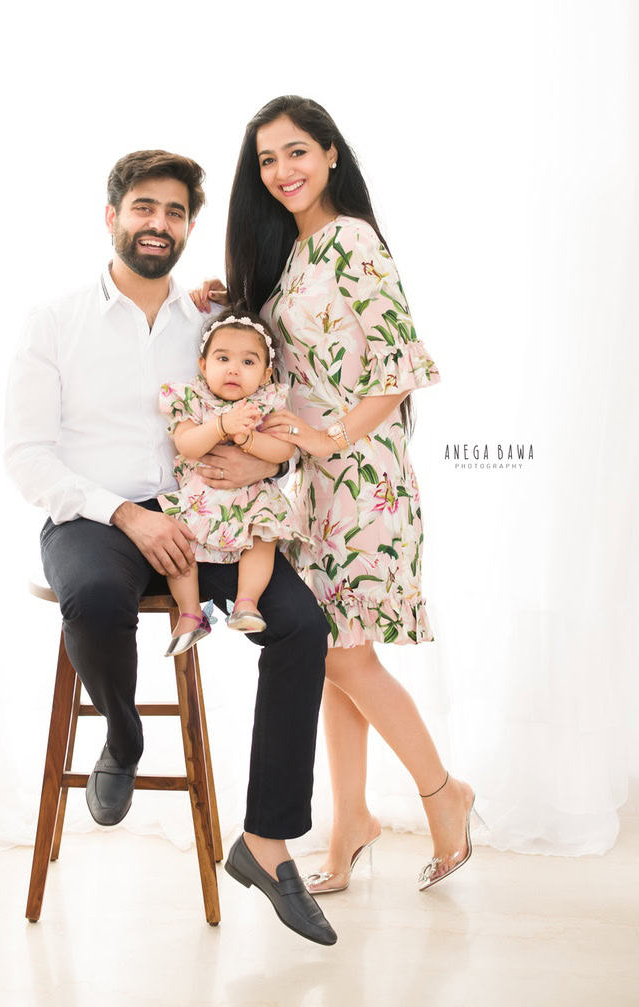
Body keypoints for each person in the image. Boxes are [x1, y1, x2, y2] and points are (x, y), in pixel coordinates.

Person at [3, 148, 337, 945]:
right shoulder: (54, 322)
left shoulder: (211, 320)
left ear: (190, 225)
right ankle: (122, 733)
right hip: (95, 515)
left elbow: (268, 416)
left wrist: (262, 456)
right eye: (145, 208)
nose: (160, 224)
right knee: (97, 594)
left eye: (176, 212)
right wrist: (124, 512)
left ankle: (266, 839)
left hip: (211, 513)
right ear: (112, 216)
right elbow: (26, 454)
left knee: (301, 624)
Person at [193, 95, 482, 894]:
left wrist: (329, 440)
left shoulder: (352, 240)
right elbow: (285, 362)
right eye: (266, 161)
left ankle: (443, 794)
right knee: (324, 654)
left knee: (348, 655)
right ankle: (350, 819)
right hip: (311, 486)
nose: (281, 172)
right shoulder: (296, 252)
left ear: (329, 154)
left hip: (362, 479)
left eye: (295, 153)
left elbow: (400, 363)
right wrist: (223, 304)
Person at [158, 307, 308, 656]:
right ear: (203, 364)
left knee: (262, 537)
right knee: (179, 545)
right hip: (200, 499)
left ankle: (246, 602)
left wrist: (250, 441)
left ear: (267, 373)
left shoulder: (266, 404)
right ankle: (191, 614)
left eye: (248, 362)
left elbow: (284, 449)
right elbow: (186, 444)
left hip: (252, 499)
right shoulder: (191, 398)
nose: (233, 369)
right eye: (223, 358)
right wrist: (223, 426)